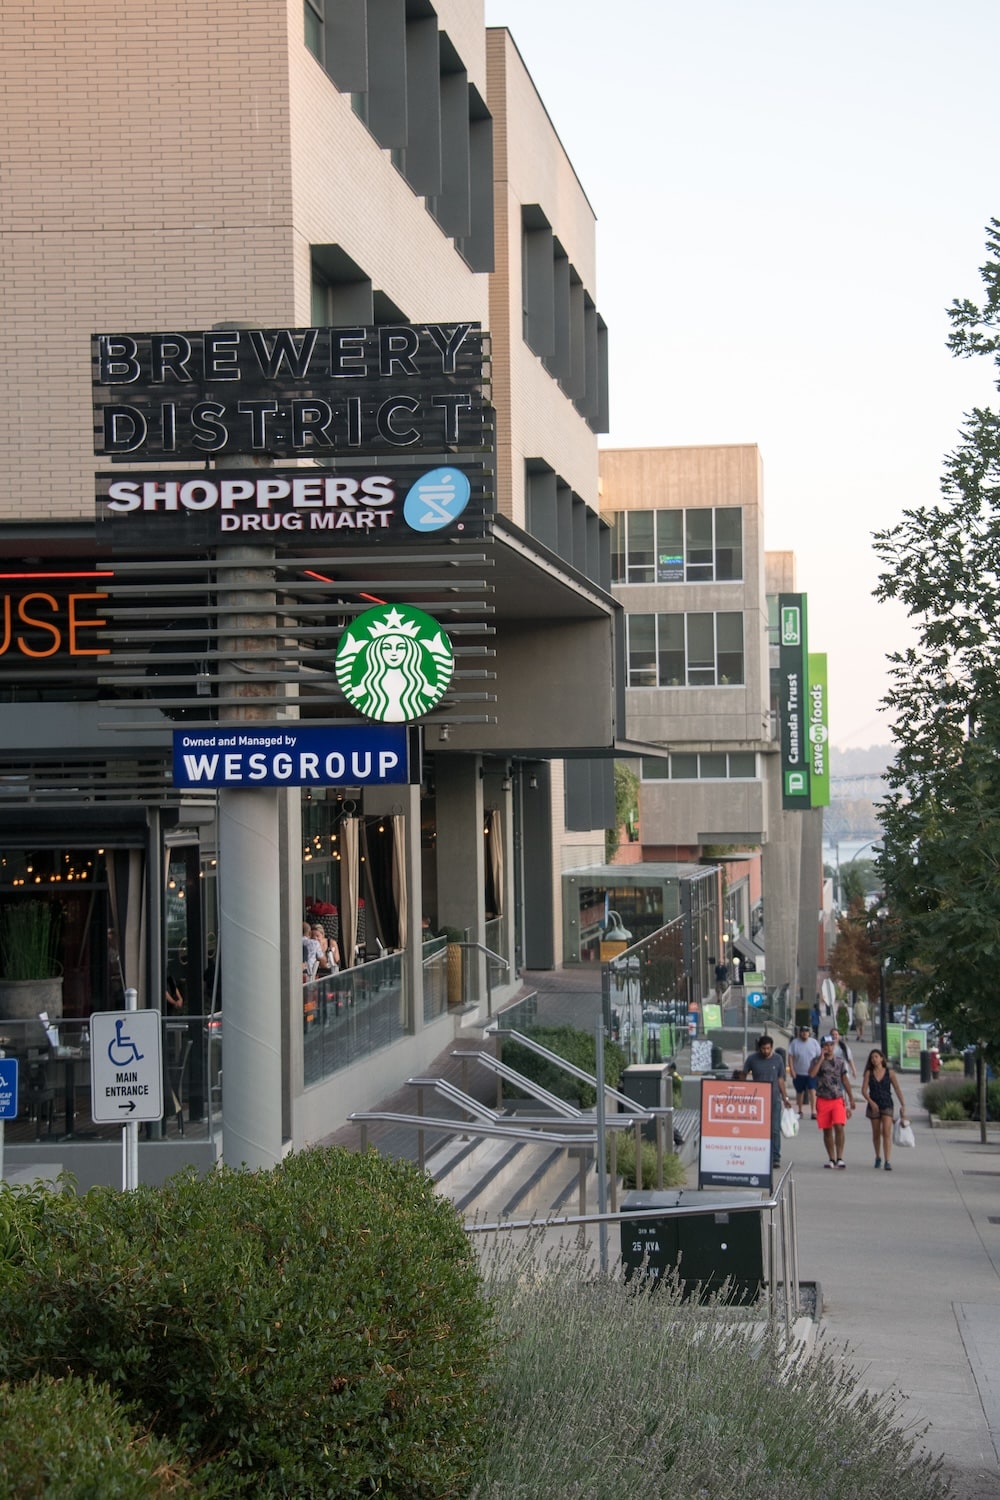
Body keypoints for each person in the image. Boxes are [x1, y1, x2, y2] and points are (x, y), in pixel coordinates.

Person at [741, 1034, 792, 1170]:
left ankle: (775, 1157)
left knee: (774, 1129)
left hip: (774, 1098)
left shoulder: (778, 1059)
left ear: (771, 1048)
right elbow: (743, 1075)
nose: (765, 1051)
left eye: (768, 1049)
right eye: (763, 1049)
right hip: (757, 1100)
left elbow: (780, 1079)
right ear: (759, 1048)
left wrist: (785, 1097)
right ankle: (759, 1154)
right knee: (758, 1129)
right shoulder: (752, 1059)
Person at [809, 1034, 856, 1168]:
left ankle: (840, 1156)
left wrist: (851, 1098)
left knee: (839, 1126)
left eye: (830, 1045)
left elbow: (844, 1080)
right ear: (822, 1047)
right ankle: (831, 1158)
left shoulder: (840, 1062)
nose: (828, 1048)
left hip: (837, 1098)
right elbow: (812, 1075)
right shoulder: (816, 1061)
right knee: (827, 1129)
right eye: (826, 1045)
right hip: (823, 1098)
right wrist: (820, 1059)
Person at [861, 1048, 907, 1170]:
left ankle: (887, 1160)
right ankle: (877, 1157)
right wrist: (871, 1102)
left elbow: (897, 1088)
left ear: (882, 1058)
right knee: (876, 1133)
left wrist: (903, 1104)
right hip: (874, 1104)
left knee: (886, 1132)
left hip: (887, 1103)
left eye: (876, 1057)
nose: (874, 1059)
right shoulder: (868, 1073)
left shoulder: (889, 1073)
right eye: (872, 1058)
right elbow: (864, 1091)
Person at [787, 1024, 821, 1118]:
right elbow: (790, 1056)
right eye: (803, 1031)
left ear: (809, 1033)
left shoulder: (814, 1042)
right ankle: (800, 1110)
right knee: (799, 1092)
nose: (804, 1033)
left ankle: (813, 1111)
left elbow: (819, 1056)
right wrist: (792, 1070)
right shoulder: (795, 1043)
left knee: (812, 1090)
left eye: (806, 1031)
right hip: (799, 1072)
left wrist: (817, 1068)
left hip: (811, 1072)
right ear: (800, 1033)